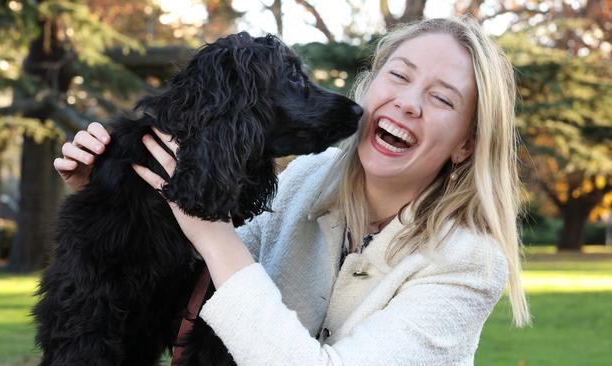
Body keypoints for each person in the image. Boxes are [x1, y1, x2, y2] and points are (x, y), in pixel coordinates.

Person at [54, 16, 530, 365]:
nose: (408, 102)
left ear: (466, 144)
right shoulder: (307, 180)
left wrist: (212, 233)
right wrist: (114, 197)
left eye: (441, 98)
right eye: (399, 75)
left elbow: (217, 249)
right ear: (371, 84)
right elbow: (186, 287)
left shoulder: (469, 264)